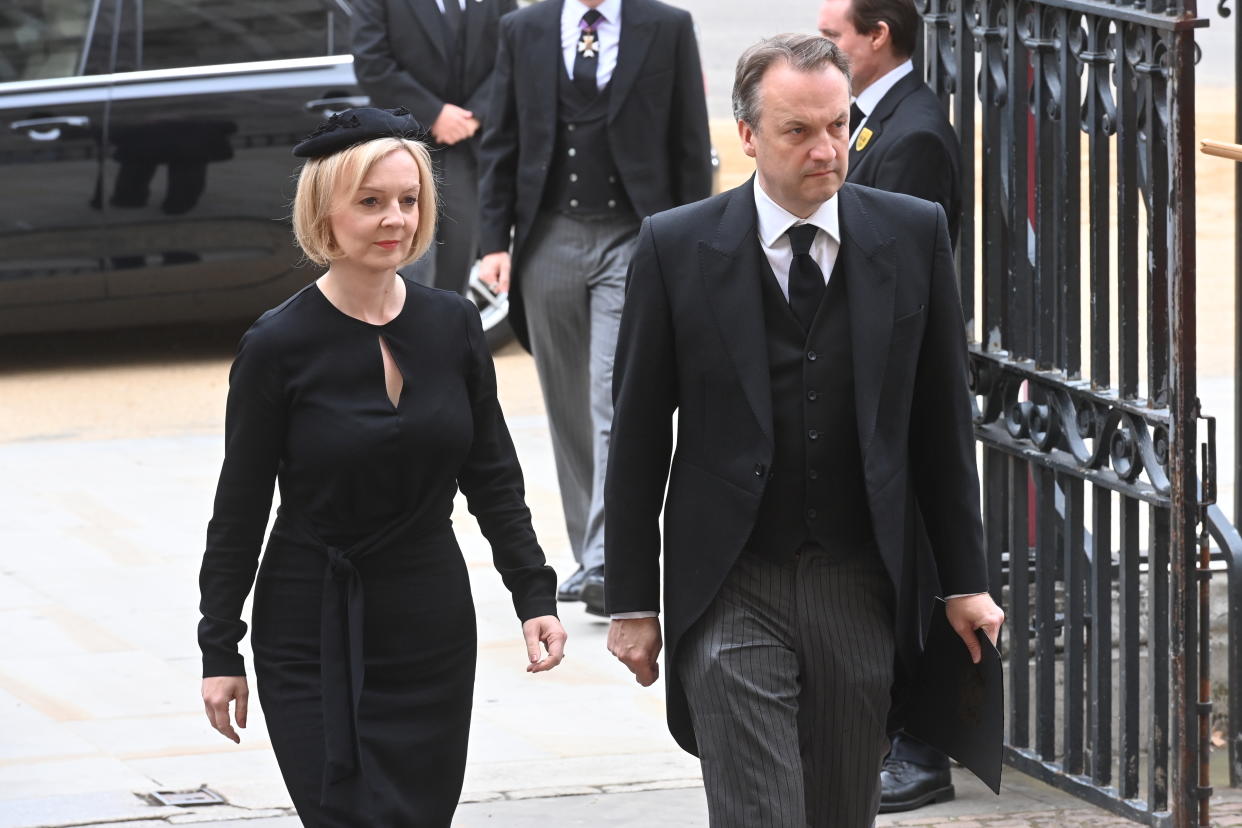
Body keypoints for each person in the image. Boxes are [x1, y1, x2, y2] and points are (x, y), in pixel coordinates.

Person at [603, 35, 1003, 827]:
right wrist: (630, 601)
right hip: (729, 581)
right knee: (762, 811)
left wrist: (964, 581)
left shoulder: (912, 233)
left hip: (861, 581)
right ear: (747, 135)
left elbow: (940, 426)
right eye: (797, 131)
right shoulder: (675, 247)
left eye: (838, 124)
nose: (826, 149)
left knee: (839, 809)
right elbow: (639, 434)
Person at [197, 108, 566, 828]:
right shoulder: (277, 346)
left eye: (409, 199)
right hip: (310, 624)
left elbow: (492, 475)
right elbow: (238, 508)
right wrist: (220, 648)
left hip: (429, 623)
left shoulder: (452, 324)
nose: (395, 218)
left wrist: (535, 594)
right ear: (324, 213)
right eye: (370, 202)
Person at [477, 0, 713, 616]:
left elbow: (689, 142)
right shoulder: (520, 30)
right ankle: (591, 554)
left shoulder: (668, 27)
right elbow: (501, 139)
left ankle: (614, 557)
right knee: (567, 402)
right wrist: (491, 244)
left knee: (613, 392)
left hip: (635, 235)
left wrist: (696, 244)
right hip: (547, 235)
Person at [818, 0, 964, 810]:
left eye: (833, 35)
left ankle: (922, 748)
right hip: (869, 391)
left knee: (921, 570)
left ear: (879, 36)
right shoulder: (873, 118)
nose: (823, 47)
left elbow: (892, 277)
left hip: (897, 390)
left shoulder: (911, 135)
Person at [351, 0, 517, 293]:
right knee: (405, 266)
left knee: (456, 264)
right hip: (400, 144)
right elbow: (372, 62)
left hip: (467, 147)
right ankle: (398, 335)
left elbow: (513, 54)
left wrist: (475, 114)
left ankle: (444, 334)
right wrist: (434, 114)